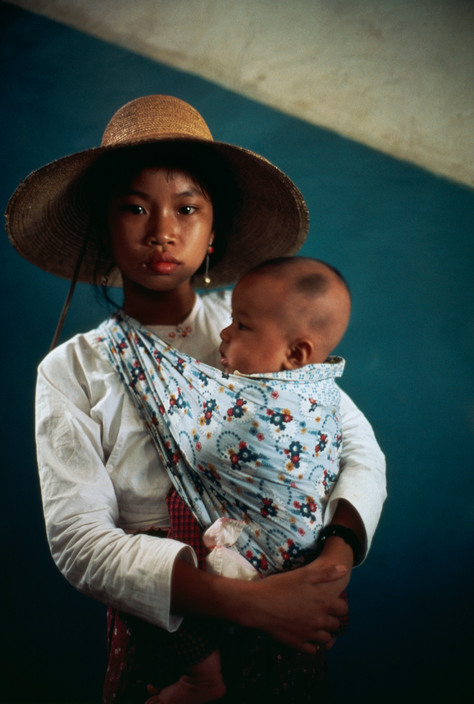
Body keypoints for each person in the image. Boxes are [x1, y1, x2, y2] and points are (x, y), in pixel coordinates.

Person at [5, 95, 386, 703]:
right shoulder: (73, 369)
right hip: (171, 628)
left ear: (214, 232)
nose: (162, 231)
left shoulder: (260, 336)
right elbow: (80, 542)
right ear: (105, 225)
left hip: (292, 611)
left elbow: (355, 447)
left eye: (188, 208)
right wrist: (248, 603)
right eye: (134, 207)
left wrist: (330, 564)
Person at [102, 255, 353, 704]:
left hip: (267, 559)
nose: (224, 333)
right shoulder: (319, 385)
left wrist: (337, 559)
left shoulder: (281, 401)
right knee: (144, 571)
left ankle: (201, 676)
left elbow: (199, 447)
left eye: (240, 326)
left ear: (295, 355)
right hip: (287, 578)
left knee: (157, 559)